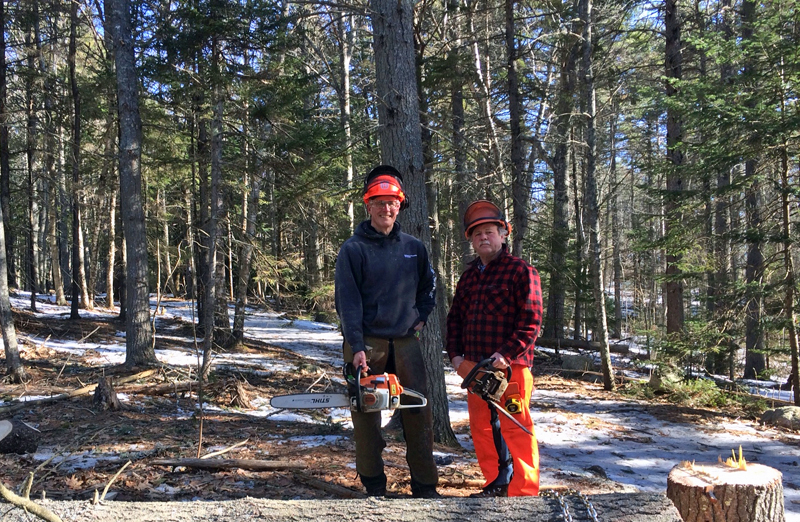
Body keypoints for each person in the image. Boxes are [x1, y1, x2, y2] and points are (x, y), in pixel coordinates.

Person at [334, 165, 440, 498]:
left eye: (391, 202)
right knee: (366, 418)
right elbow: (347, 302)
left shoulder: (414, 247)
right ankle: (374, 486)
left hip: (406, 343)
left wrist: (422, 314)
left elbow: (430, 285)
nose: (386, 208)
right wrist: (357, 345)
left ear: (400, 205)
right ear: (368, 205)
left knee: (418, 414)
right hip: (367, 342)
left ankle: (425, 485)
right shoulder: (353, 249)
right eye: (379, 202)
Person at [446, 200, 542, 497]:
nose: (483, 238)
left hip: (511, 369)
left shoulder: (521, 272)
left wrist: (506, 354)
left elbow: (531, 321)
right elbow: (455, 321)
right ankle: (496, 483)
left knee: (516, 427)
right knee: (482, 429)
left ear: (503, 234)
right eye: (477, 234)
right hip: (475, 370)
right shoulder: (469, 276)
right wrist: (456, 356)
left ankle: (525, 493)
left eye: (489, 231)